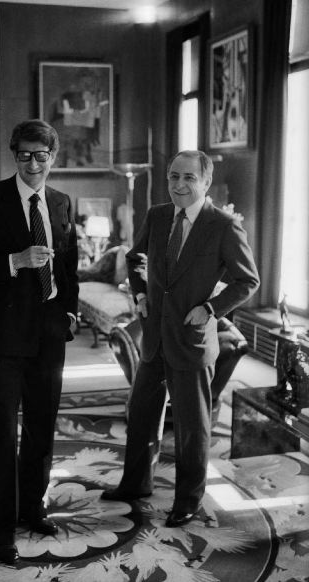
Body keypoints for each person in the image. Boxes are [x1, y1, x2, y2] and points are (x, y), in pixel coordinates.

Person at [101, 150, 259, 527]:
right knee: (141, 415)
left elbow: (248, 280)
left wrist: (211, 309)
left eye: (189, 177)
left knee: (191, 428)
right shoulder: (157, 215)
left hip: (192, 339)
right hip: (154, 336)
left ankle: (187, 500)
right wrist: (140, 293)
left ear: (205, 182)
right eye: (174, 176)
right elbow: (135, 258)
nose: (179, 184)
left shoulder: (223, 225)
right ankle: (135, 484)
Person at [0, 119, 79, 565]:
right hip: (4, 334)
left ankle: (32, 508)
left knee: (42, 426)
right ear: (14, 156)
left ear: (52, 158)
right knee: (5, 431)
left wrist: (69, 310)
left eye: (41, 156)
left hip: (50, 332)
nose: (32, 164)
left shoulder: (61, 202)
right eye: (24, 155)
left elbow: (69, 265)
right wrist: (14, 260)